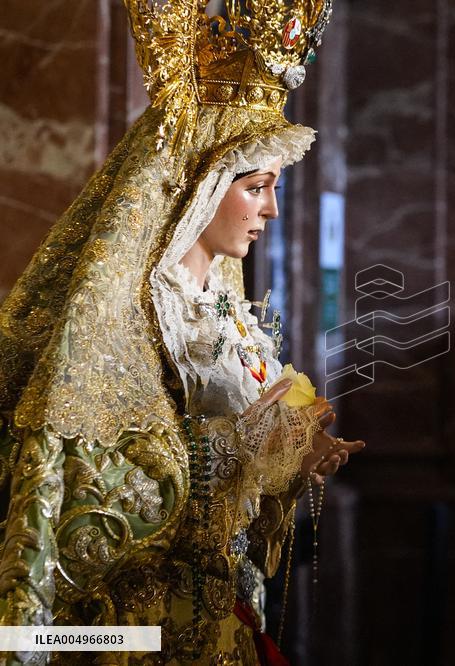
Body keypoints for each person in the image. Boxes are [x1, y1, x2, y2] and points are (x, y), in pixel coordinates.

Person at [0, 1, 361, 663]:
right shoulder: (123, 317)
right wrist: (237, 452)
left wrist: (294, 452)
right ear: (199, 183)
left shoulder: (227, 310)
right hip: (136, 633)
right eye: (256, 187)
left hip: (223, 615)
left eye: (273, 187)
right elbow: (91, 511)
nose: (272, 209)